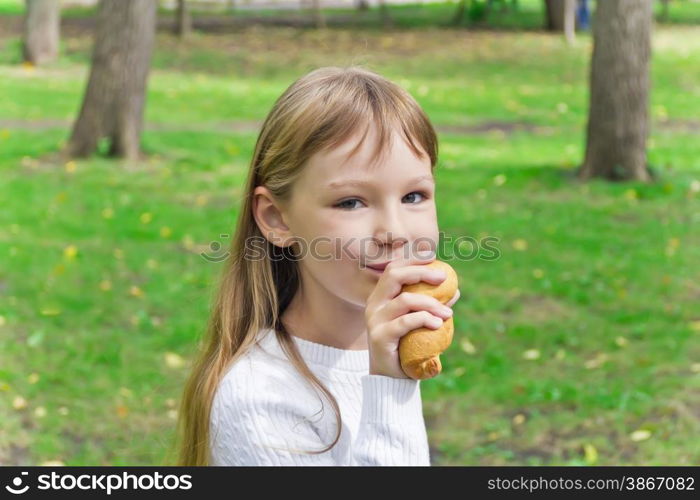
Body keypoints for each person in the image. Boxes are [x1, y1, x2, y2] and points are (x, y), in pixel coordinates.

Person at [174, 66, 461, 466]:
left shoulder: (383, 351)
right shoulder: (259, 399)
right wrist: (391, 385)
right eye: (350, 202)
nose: (394, 232)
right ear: (277, 218)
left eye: (413, 196)